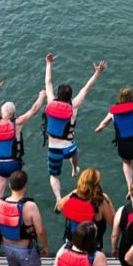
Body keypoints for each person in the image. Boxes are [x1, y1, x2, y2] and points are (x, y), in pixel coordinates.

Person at [44, 53, 108, 201]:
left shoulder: (51, 103)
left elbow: (48, 83)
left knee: (54, 176)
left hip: (54, 148)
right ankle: (74, 168)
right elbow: (87, 87)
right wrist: (98, 72)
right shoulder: (74, 105)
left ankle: (59, 199)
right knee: (75, 152)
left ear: (58, 95)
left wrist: (49, 64)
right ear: (70, 96)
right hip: (69, 147)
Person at [0, 76, 46, 204]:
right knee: (19, 196)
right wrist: (41, 96)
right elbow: (33, 110)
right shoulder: (17, 124)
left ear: (1, 113)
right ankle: (18, 211)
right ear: (14, 114)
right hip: (14, 164)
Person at [94, 86, 133, 192]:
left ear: (120, 98)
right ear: (131, 98)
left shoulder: (113, 112)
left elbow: (103, 124)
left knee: (126, 163)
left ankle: (129, 187)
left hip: (123, 145)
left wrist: (99, 128)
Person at [0, 170, 48, 266]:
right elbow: (40, 231)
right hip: (26, 250)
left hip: (7, 248)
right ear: (25, 185)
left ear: (10, 185)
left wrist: (0, 238)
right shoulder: (30, 206)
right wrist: (45, 247)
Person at [56, 168, 115, 251]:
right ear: (96, 185)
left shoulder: (73, 195)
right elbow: (114, 223)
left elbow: (58, 209)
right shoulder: (100, 202)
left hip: (72, 245)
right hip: (92, 247)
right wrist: (107, 199)